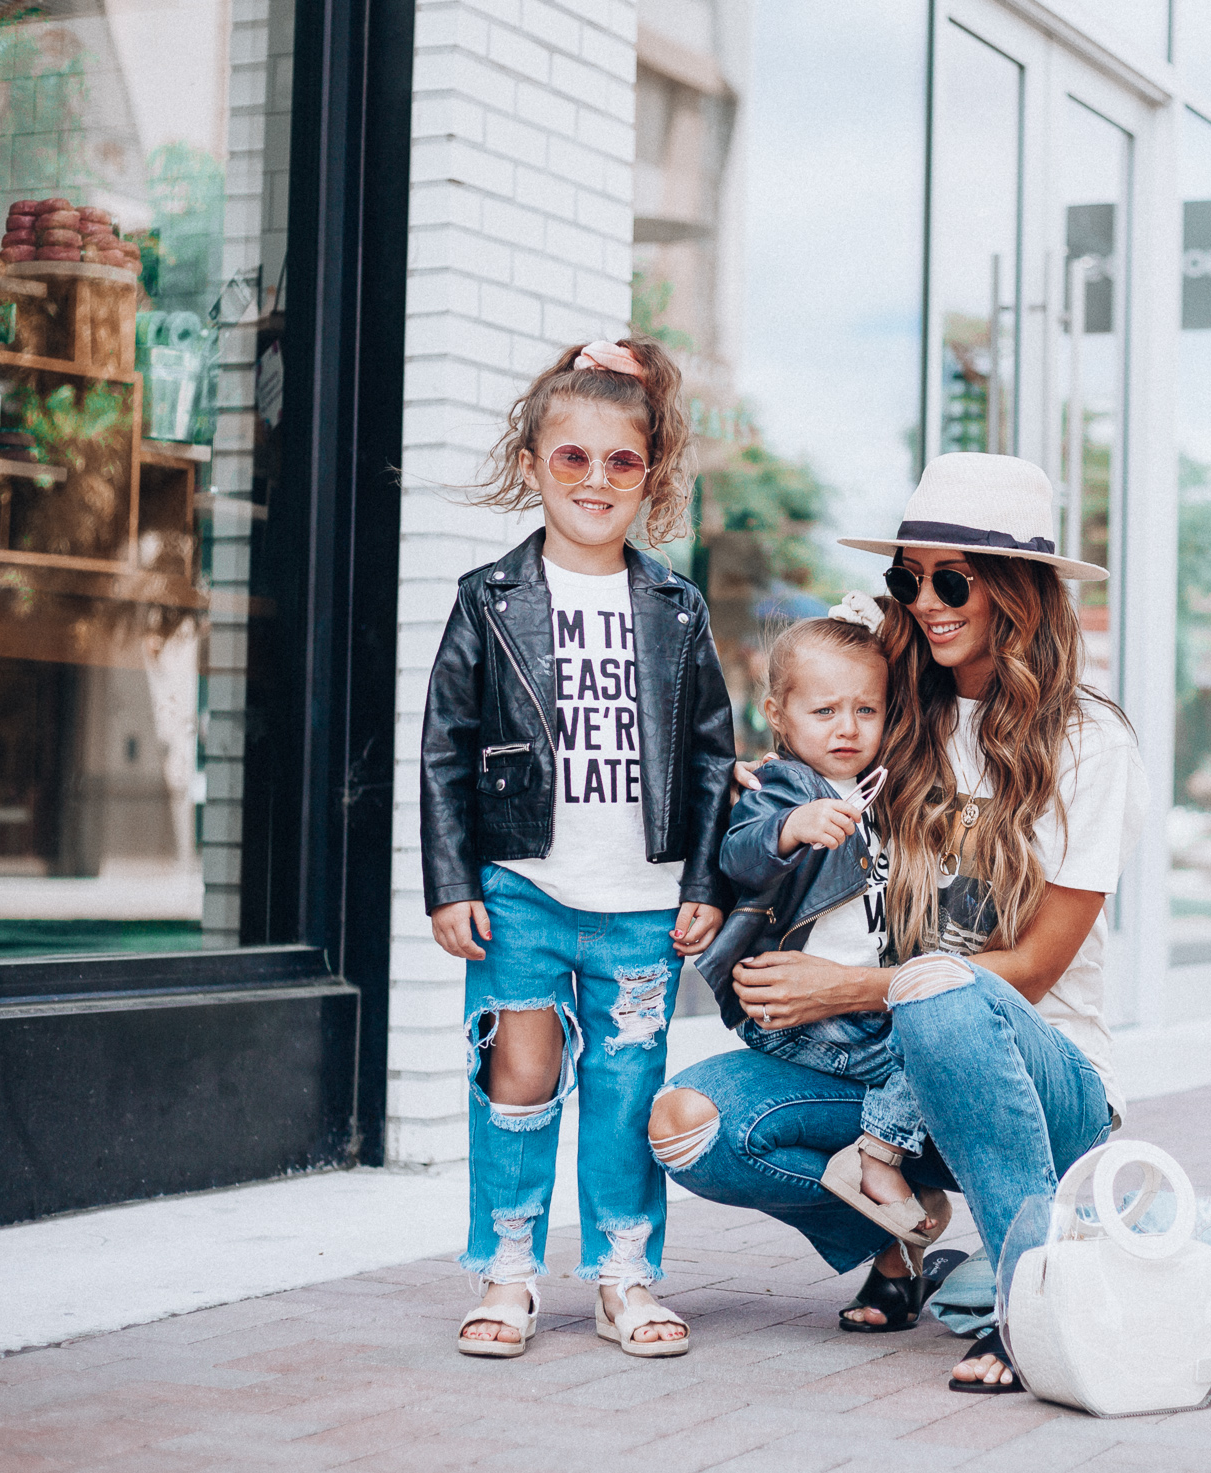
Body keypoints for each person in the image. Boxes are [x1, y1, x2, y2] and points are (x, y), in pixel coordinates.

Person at [649, 452, 1146, 1394]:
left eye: (951, 578)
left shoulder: (1090, 741)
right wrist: (769, 791)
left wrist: (850, 988)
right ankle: (898, 1238)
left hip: (1044, 1085)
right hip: (890, 1074)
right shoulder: (895, 708)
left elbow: (1034, 968)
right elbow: (811, 683)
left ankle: (1027, 1290)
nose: (924, 600)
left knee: (945, 993)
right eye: (906, 577)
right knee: (690, 1127)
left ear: (1020, 594)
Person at [422, 337, 734, 1359]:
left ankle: (624, 1277)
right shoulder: (488, 599)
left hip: (642, 902)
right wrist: (450, 883)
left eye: (620, 462)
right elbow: (443, 750)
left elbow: (708, 758)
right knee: (514, 1077)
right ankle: (506, 1274)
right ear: (533, 466)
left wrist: (702, 880)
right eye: (572, 459)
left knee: (627, 1092)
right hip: (521, 890)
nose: (595, 481)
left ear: (651, 475)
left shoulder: (676, 608)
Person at [698, 597, 948, 1247]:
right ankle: (878, 1159)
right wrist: (788, 829)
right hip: (795, 1007)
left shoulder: (878, 793)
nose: (847, 727)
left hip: (855, 1003)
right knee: (919, 1055)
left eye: (866, 710)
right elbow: (738, 851)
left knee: (939, 1036)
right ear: (779, 715)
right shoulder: (789, 785)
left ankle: (886, 1194)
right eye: (824, 710)